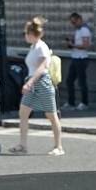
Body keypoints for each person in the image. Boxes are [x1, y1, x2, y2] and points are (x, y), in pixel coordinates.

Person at [15, 17, 62, 155]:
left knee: (51, 115)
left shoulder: (42, 47)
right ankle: (23, 146)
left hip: (42, 83)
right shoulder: (33, 47)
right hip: (32, 83)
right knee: (23, 113)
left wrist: (29, 83)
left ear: (31, 34)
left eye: (26, 33)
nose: (25, 36)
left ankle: (58, 147)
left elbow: (42, 67)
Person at [66, 12, 91, 109]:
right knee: (69, 81)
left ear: (79, 20)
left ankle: (85, 102)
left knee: (81, 82)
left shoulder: (84, 30)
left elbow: (85, 45)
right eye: (72, 23)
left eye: (74, 22)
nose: (73, 25)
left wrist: (73, 45)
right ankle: (71, 102)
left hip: (82, 58)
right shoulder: (78, 30)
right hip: (75, 57)